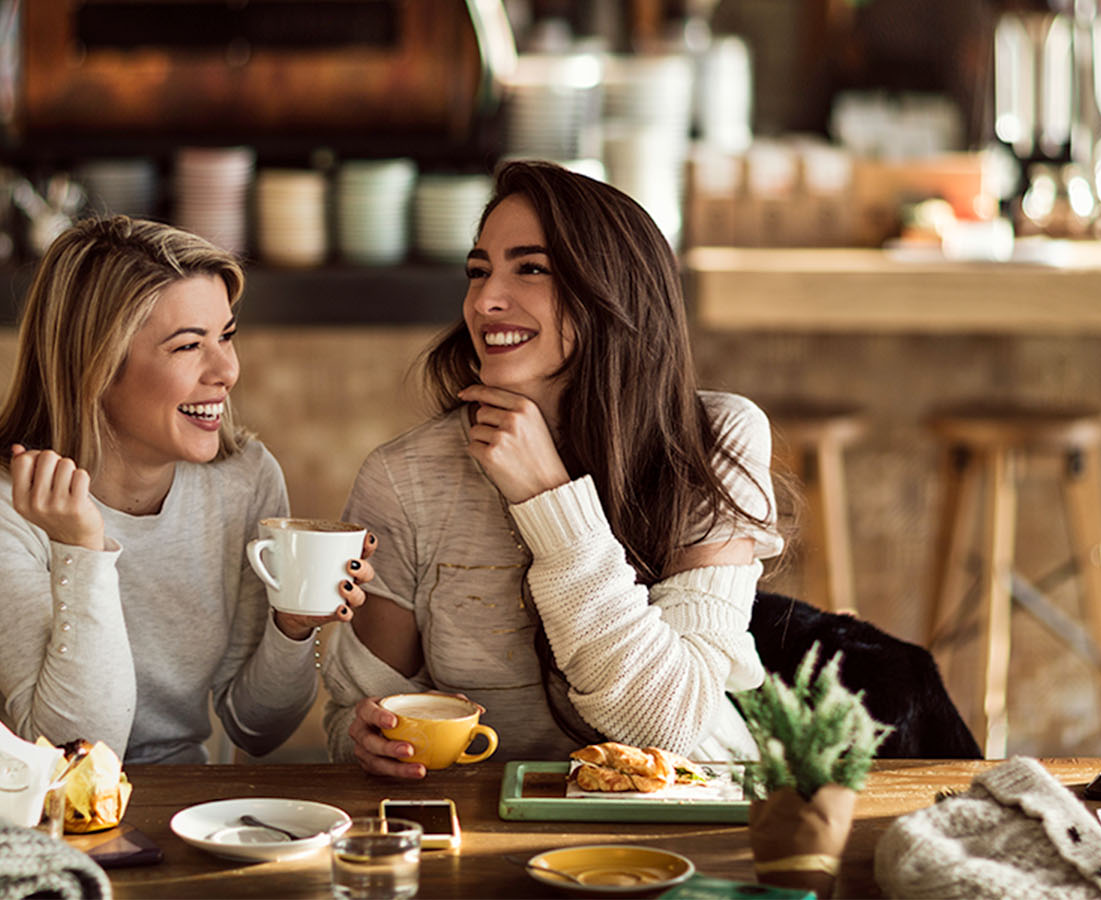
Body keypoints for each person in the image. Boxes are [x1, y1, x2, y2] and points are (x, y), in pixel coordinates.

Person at [323, 161, 785, 779]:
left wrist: (549, 498)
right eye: (479, 271)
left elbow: (669, 724)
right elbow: (354, 717)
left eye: (531, 268)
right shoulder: (404, 478)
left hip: (689, 819)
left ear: (612, 291)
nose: (485, 300)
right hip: (485, 824)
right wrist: (366, 738)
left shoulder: (713, 441)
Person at [0, 216, 371, 764]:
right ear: (95, 364)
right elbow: (80, 751)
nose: (227, 370)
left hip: (186, 814)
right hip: (41, 821)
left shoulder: (244, 479)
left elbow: (259, 729)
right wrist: (81, 551)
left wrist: (292, 627)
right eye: (188, 346)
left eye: (226, 336)